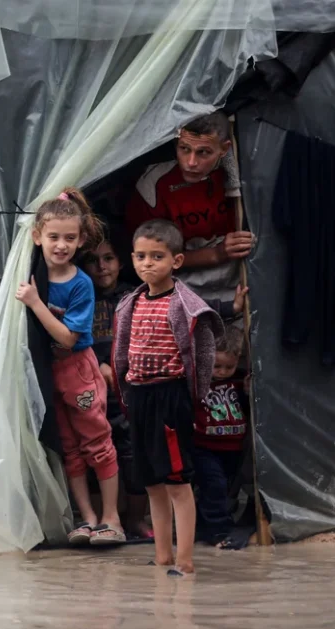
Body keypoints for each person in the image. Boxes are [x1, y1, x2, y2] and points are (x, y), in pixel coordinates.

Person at [114, 219, 223, 575]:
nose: (147, 263)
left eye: (157, 256)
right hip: (140, 396)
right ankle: (162, 555)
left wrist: (194, 398)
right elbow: (122, 352)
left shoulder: (184, 304)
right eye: (141, 256)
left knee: (177, 480)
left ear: (176, 261)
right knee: (151, 482)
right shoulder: (131, 303)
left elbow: (203, 355)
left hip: (170, 397)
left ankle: (185, 560)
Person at [15, 190, 124, 546]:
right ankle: (87, 518)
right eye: (54, 237)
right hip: (50, 373)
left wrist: (35, 303)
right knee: (69, 448)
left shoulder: (81, 284)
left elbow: (67, 337)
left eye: (69, 238)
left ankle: (112, 518)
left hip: (77, 370)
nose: (61, 245)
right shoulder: (32, 272)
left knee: (97, 442)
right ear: (37, 237)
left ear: (80, 241)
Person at [124, 112, 253, 306]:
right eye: (184, 149)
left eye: (204, 152)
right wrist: (216, 254)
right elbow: (147, 258)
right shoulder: (153, 184)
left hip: (241, 288)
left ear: (224, 149)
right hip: (180, 295)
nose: (191, 162)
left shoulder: (243, 174)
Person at [83, 239, 151, 540]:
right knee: (96, 454)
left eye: (109, 258)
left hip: (131, 388)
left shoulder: (135, 295)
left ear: (121, 262)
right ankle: (105, 520)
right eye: (93, 260)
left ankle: (135, 520)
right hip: (92, 386)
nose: (102, 267)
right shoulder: (80, 294)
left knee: (134, 454)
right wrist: (97, 363)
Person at [193, 324, 250, 550]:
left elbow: (245, 408)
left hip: (233, 447)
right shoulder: (197, 381)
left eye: (229, 367)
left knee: (222, 490)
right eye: (216, 366)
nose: (222, 371)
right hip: (204, 446)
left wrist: (247, 392)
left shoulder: (240, 381)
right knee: (214, 485)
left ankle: (204, 526)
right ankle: (219, 532)